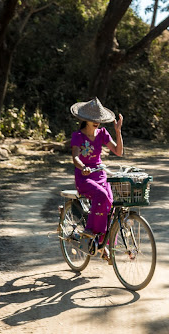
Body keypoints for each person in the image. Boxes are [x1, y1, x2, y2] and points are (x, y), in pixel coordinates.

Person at [69, 97, 124, 258]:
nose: (97, 122)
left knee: (110, 204)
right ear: (85, 120)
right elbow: (75, 158)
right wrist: (83, 167)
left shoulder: (102, 134)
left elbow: (119, 152)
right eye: (93, 119)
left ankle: (103, 243)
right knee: (101, 195)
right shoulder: (78, 136)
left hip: (101, 174)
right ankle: (89, 233)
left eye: (99, 120)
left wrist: (118, 131)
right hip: (84, 177)